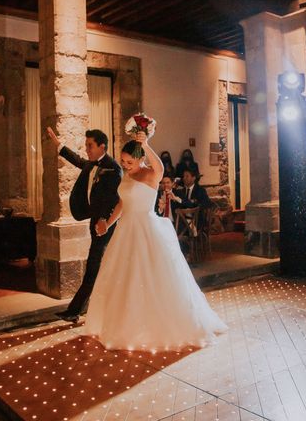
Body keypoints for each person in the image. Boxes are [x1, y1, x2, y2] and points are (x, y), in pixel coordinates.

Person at [84, 130, 227, 350]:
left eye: (130, 161)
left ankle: (153, 325)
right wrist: (108, 223)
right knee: (123, 279)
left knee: (151, 278)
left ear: (141, 159)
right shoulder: (126, 176)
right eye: (123, 161)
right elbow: (122, 204)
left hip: (146, 229)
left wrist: (146, 144)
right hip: (125, 231)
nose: (125, 164)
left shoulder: (151, 174)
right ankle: (123, 324)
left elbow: (160, 167)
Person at [46, 127, 122, 324]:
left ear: (102, 146)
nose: (86, 149)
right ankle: (88, 308)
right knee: (98, 267)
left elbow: (114, 198)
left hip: (104, 226)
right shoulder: (91, 164)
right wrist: (59, 146)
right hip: (94, 221)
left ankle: (75, 310)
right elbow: (78, 161)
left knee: (93, 267)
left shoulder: (113, 168)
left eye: (90, 145)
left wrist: (104, 220)